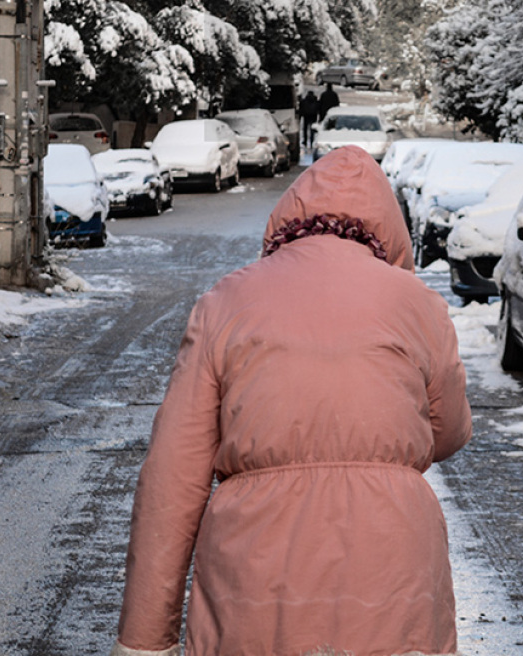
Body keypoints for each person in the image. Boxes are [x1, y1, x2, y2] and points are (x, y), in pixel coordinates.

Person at [110, 145, 473, 656]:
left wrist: (145, 639)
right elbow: (450, 431)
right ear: (391, 228)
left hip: (255, 573)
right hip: (391, 566)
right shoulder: (418, 305)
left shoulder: (227, 301)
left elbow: (173, 478)